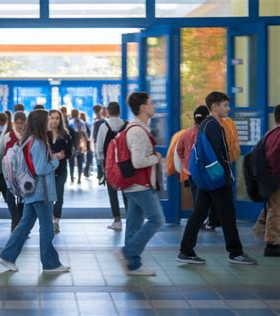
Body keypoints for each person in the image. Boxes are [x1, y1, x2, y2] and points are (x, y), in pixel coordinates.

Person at [177, 91, 257, 265]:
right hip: (216, 179)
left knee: (198, 214)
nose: (228, 108)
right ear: (214, 107)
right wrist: (225, 175)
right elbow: (218, 155)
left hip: (206, 179)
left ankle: (186, 250)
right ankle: (235, 252)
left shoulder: (205, 124)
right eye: (225, 105)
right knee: (227, 215)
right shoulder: (213, 125)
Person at [0, 109, 70, 273]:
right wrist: (55, 161)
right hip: (41, 191)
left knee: (25, 224)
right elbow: (40, 168)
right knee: (46, 227)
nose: (50, 122)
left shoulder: (27, 140)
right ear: (41, 123)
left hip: (31, 190)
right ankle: (50, 264)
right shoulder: (39, 142)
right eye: (47, 120)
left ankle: (7, 256)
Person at [119, 92, 165, 276]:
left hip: (135, 184)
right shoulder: (137, 131)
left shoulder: (140, 128)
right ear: (143, 107)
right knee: (157, 219)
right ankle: (128, 253)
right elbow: (138, 162)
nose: (153, 106)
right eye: (151, 103)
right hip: (140, 184)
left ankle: (133, 265)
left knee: (134, 223)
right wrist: (156, 158)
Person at [96, 102, 128, 231]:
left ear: (108, 112)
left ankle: (117, 220)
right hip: (125, 164)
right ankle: (130, 218)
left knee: (112, 192)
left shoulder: (104, 126)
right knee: (126, 192)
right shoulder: (127, 125)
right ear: (119, 112)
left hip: (110, 165)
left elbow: (99, 148)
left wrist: (101, 165)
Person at [253, 104, 280, 256]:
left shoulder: (270, 134)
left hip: (270, 179)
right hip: (276, 179)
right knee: (276, 210)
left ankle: (262, 231)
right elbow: (275, 158)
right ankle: (272, 243)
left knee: (274, 208)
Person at [0, 111, 27, 232]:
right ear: (14, 123)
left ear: (25, 123)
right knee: (9, 197)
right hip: (9, 173)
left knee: (22, 198)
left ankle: (18, 223)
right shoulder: (7, 136)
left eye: (22, 123)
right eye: (17, 122)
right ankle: (15, 220)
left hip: (24, 174)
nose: (19, 125)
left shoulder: (29, 137)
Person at [48, 109, 73, 234]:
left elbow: (70, 153)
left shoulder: (66, 135)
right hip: (47, 171)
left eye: (57, 118)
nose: (54, 120)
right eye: (52, 118)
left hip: (61, 170)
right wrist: (53, 155)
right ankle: (48, 219)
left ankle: (56, 219)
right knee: (48, 196)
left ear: (60, 120)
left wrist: (64, 155)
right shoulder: (44, 135)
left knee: (59, 195)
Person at [69, 109, 87, 184]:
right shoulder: (82, 122)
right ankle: (79, 178)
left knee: (71, 162)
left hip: (72, 144)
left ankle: (72, 177)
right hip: (80, 144)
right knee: (80, 162)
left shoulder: (70, 122)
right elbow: (85, 133)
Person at [92, 104, 106, 182]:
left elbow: (94, 135)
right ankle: (102, 173)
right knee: (103, 157)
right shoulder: (104, 121)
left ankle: (100, 174)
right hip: (103, 141)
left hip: (97, 141)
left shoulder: (96, 121)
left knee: (98, 158)